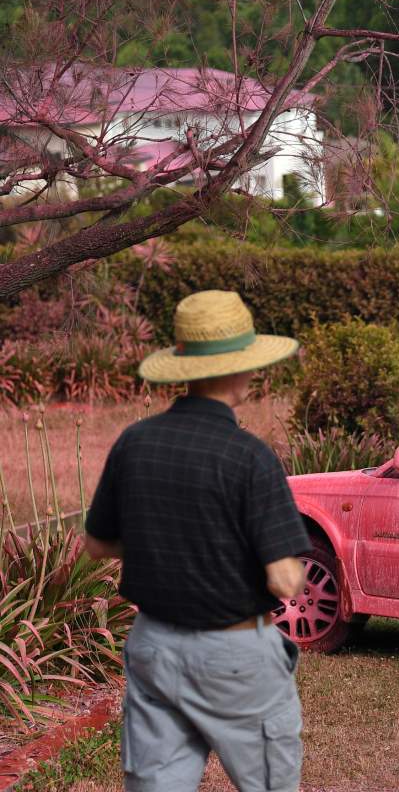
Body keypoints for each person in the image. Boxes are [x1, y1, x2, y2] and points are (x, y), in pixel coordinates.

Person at [85, 290, 311, 792]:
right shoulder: (249, 457)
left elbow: (98, 544)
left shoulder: (134, 442)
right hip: (234, 657)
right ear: (242, 370)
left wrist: (165, 540)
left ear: (183, 367)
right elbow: (283, 576)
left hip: (154, 648)